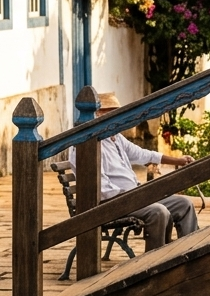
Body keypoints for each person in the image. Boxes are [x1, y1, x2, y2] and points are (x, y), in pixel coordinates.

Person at [69, 92, 199, 251]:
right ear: (97, 115)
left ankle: (190, 251)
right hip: (112, 203)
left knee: (183, 204)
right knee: (159, 212)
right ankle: (154, 262)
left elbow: (143, 154)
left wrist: (177, 160)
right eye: (109, 113)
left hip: (135, 195)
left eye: (116, 113)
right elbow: (104, 191)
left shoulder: (114, 137)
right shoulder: (84, 146)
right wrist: (135, 196)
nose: (115, 118)